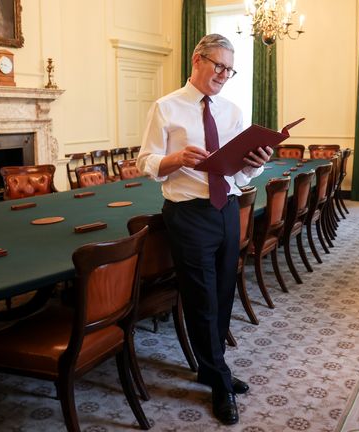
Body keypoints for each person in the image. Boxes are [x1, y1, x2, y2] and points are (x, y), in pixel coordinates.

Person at [137, 33, 273, 425]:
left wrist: (257, 161)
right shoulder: (166, 107)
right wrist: (176, 158)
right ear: (198, 60)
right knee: (201, 298)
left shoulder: (231, 110)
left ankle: (211, 367)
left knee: (224, 291)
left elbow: (243, 169)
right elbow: (145, 163)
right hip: (188, 214)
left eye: (230, 70)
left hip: (227, 208)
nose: (224, 75)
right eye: (219, 66)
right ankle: (219, 380)